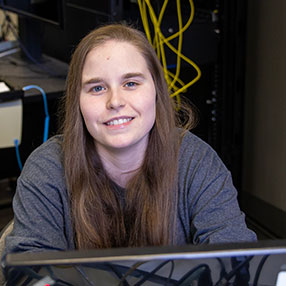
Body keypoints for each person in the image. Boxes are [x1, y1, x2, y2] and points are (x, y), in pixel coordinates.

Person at [3, 23, 256, 256]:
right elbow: (30, 274)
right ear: (77, 101)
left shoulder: (196, 162)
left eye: (131, 83)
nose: (115, 102)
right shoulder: (47, 169)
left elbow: (236, 262)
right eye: (97, 88)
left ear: (156, 90)